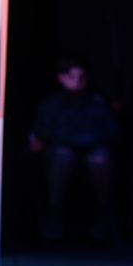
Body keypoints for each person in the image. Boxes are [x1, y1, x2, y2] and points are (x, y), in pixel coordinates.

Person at [30, 58, 119, 242]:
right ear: (61, 78)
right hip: (61, 151)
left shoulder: (96, 102)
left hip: (92, 148)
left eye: (82, 77)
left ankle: (103, 215)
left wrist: (88, 141)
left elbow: (110, 130)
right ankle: (55, 214)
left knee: (100, 159)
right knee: (63, 157)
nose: (78, 81)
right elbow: (43, 132)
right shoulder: (51, 105)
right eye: (72, 76)